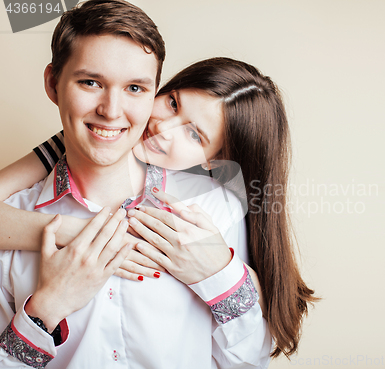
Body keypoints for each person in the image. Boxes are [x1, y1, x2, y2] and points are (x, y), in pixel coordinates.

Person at [0, 1, 273, 367]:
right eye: (90, 82)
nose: (111, 110)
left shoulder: (214, 210)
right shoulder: (14, 219)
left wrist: (221, 277)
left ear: (150, 91)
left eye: (134, 88)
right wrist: (48, 307)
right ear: (53, 83)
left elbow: (248, 361)